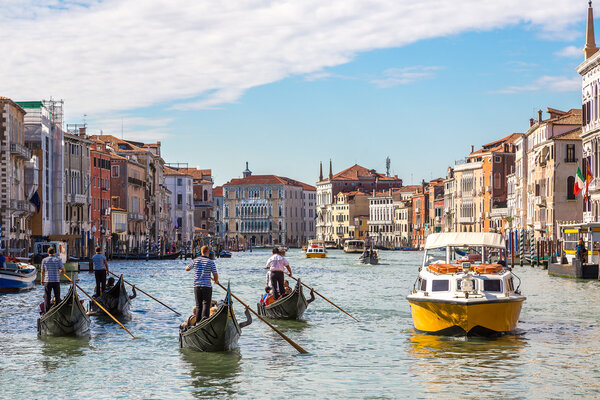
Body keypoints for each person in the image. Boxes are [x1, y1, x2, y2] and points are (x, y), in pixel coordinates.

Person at [186, 245, 219, 320]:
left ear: (201, 252)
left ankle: (198, 321)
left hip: (197, 285)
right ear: (207, 252)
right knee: (206, 304)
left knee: (198, 305)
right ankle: (204, 318)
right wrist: (216, 280)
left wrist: (196, 268)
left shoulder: (195, 260)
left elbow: (187, 269)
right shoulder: (211, 262)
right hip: (207, 286)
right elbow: (215, 274)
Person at [40, 247, 65, 314]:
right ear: (54, 252)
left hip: (47, 280)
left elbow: (42, 271)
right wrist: (59, 271)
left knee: (47, 297)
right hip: (56, 280)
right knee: (57, 296)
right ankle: (57, 311)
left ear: (48, 253)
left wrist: (42, 280)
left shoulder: (44, 260)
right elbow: (63, 270)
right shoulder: (58, 260)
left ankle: (46, 312)